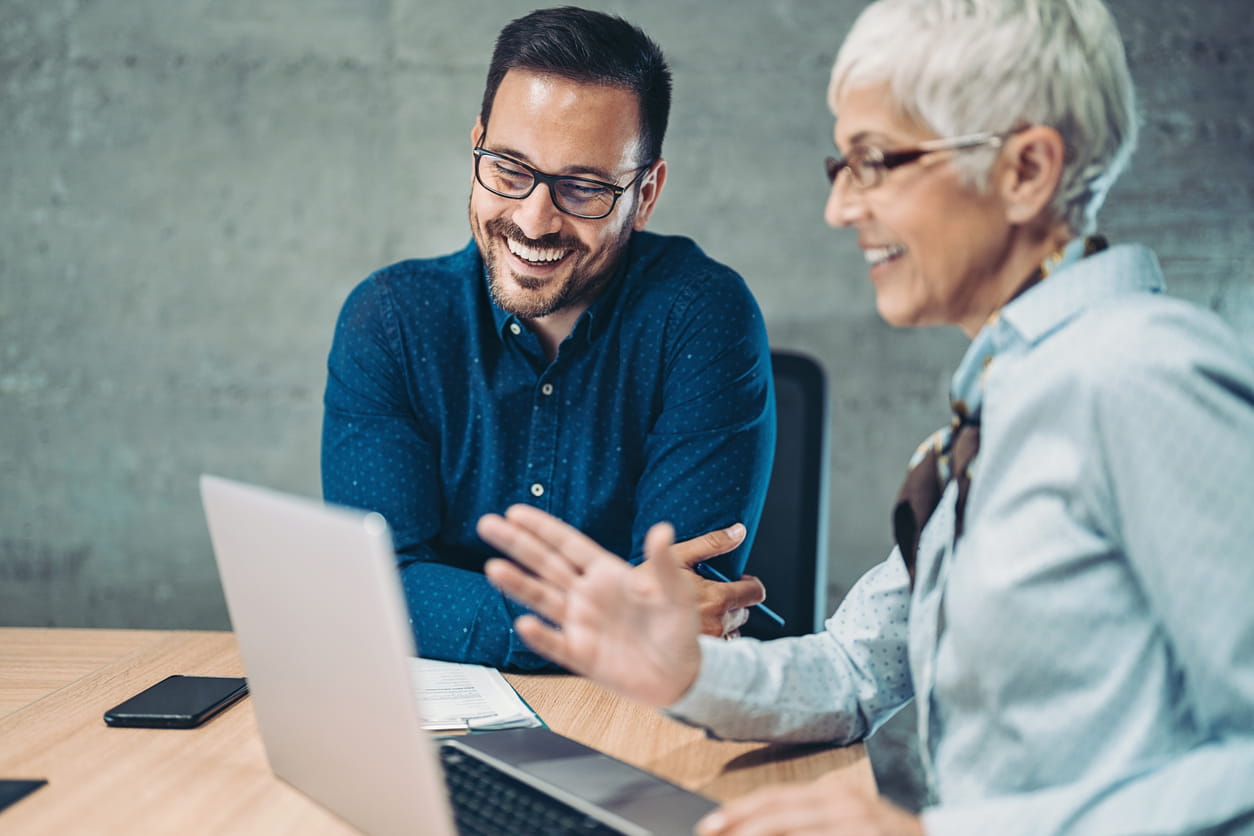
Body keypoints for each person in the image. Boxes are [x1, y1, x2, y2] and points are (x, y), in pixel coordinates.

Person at [478, 0, 1254, 832]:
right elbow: (855, 671)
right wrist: (682, 672)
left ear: (1028, 170)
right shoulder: (1011, 396)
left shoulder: (1141, 375)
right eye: (841, 165)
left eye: (878, 162)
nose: (841, 208)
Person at [321, 7, 775, 670]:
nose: (534, 220)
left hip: (642, 717)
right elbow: (378, 587)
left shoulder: (705, 318)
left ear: (645, 195)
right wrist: (607, 620)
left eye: (584, 187)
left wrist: (455, 611)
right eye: (508, 169)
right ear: (476, 143)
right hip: (437, 721)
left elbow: (679, 602)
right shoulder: (389, 321)